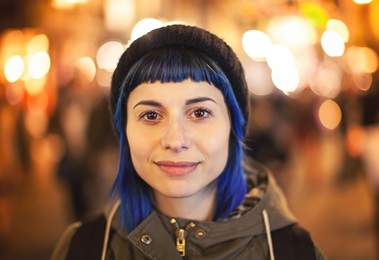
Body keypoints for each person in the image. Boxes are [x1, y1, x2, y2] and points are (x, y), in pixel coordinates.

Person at [51, 23, 325, 259]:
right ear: (124, 131)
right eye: (150, 115)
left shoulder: (293, 252)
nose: (175, 140)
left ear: (234, 126)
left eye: (200, 113)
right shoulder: (83, 248)